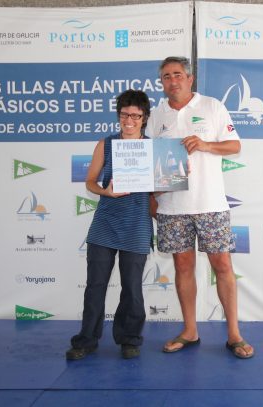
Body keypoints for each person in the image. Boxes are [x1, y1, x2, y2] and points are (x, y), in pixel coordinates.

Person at [146, 57, 254, 359]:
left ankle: (234, 334)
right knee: (183, 267)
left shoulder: (212, 106)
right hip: (171, 206)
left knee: (223, 267)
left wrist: (205, 144)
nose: (172, 81)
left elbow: (234, 145)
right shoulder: (156, 115)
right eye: (166, 76)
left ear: (190, 78)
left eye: (177, 74)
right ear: (161, 82)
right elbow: (150, 160)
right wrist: (152, 195)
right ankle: (190, 331)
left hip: (210, 203)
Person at [66, 90, 153, 360]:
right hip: (105, 224)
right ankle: (86, 340)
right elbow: (90, 182)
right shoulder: (106, 144)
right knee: (95, 286)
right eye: (124, 114)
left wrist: (175, 176)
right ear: (118, 116)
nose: (129, 120)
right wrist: (106, 191)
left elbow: (161, 188)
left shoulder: (154, 149)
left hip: (137, 225)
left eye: (135, 116)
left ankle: (129, 339)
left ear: (144, 118)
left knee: (132, 289)